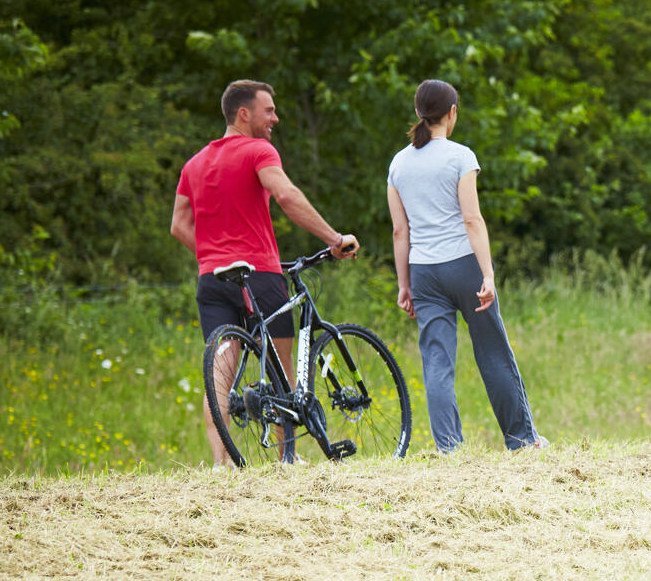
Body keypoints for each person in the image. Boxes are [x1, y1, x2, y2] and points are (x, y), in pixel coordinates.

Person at [170, 79, 358, 467]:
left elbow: (178, 224)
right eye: (268, 110)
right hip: (259, 273)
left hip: (213, 279)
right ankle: (286, 459)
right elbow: (287, 196)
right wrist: (333, 238)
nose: (275, 117)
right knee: (281, 367)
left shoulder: (195, 163)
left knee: (219, 372)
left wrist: (211, 256)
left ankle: (222, 466)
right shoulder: (259, 151)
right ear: (244, 113)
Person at [387, 79, 544, 453]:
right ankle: (522, 441)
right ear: (452, 112)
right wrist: (487, 274)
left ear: (417, 112)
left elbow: (399, 230)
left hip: (423, 273)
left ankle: (449, 449)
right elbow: (472, 220)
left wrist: (403, 284)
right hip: (463, 266)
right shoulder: (460, 157)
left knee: (437, 362)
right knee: (492, 352)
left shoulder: (398, 163)